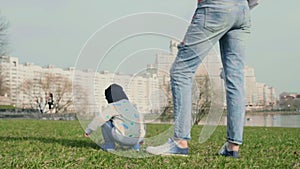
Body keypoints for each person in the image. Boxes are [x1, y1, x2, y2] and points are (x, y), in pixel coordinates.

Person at [146, 0, 253, 158]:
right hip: (243, 10)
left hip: (215, 7)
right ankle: (232, 147)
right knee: (235, 78)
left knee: (181, 71)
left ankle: (180, 143)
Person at [84, 84, 145, 151]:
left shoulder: (114, 106)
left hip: (122, 139)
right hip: (137, 138)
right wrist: (141, 139)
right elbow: (140, 123)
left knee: (105, 121)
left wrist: (89, 130)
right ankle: (136, 148)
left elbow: (100, 119)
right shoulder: (132, 106)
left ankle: (109, 146)